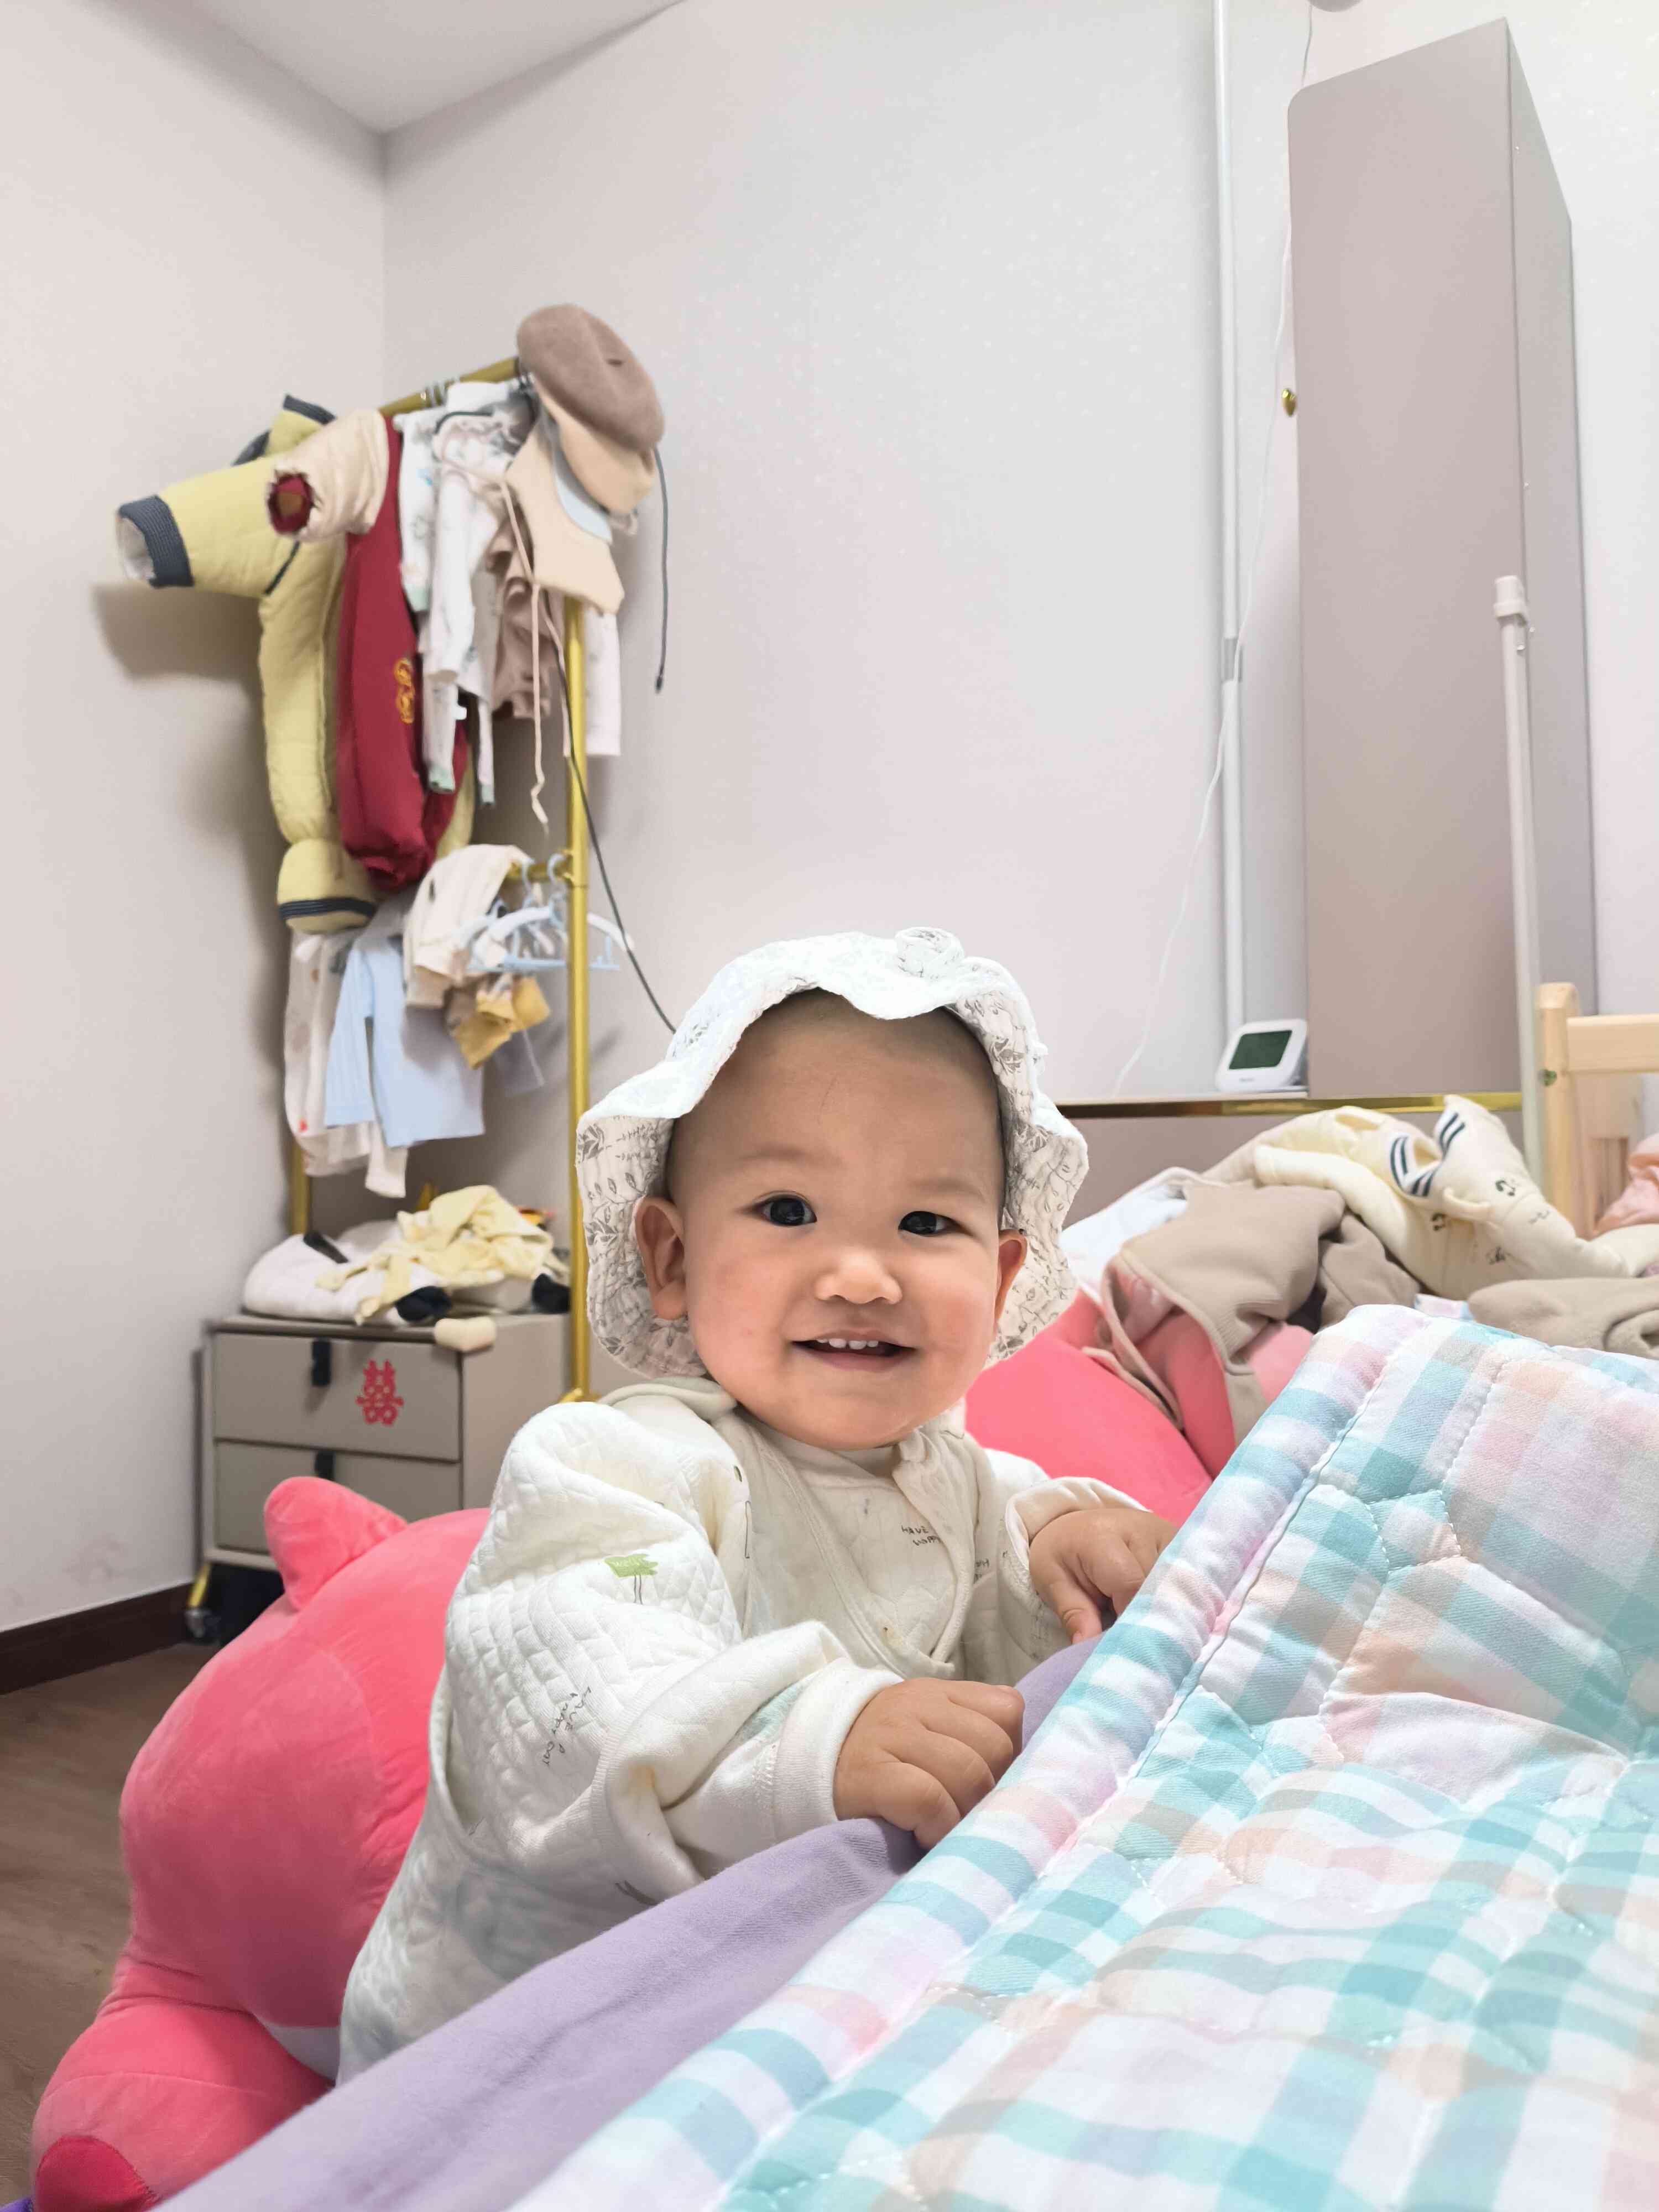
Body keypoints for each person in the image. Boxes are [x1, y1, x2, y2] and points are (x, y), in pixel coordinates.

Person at [341, 928, 1175, 2076]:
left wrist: (1070, 1544)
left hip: (781, 2022)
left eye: (926, 1223)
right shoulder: (615, 1467)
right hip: (530, 2042)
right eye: (788, 1209)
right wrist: (813, 1736)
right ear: (672, 1256)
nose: (862, 1275)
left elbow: (1016, 1576)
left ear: (998, 1275)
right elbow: (583, 1696)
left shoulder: (965, 1480)